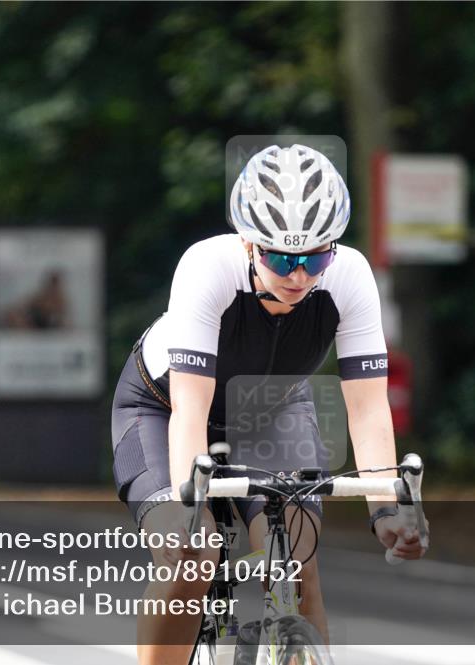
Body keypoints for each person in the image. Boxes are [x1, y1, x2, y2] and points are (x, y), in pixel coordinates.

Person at [110, 144, 425, 665]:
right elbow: (191, 409)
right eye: (281, 256)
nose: (299, 274)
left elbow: (367, 408)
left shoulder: (350, 275)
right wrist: (185, 510)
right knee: (193, 556)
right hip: (165, 406)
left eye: (316, 256)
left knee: (299, 565)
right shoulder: (206, 267)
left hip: (270, 408)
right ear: (249, 243)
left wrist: (386, 507)